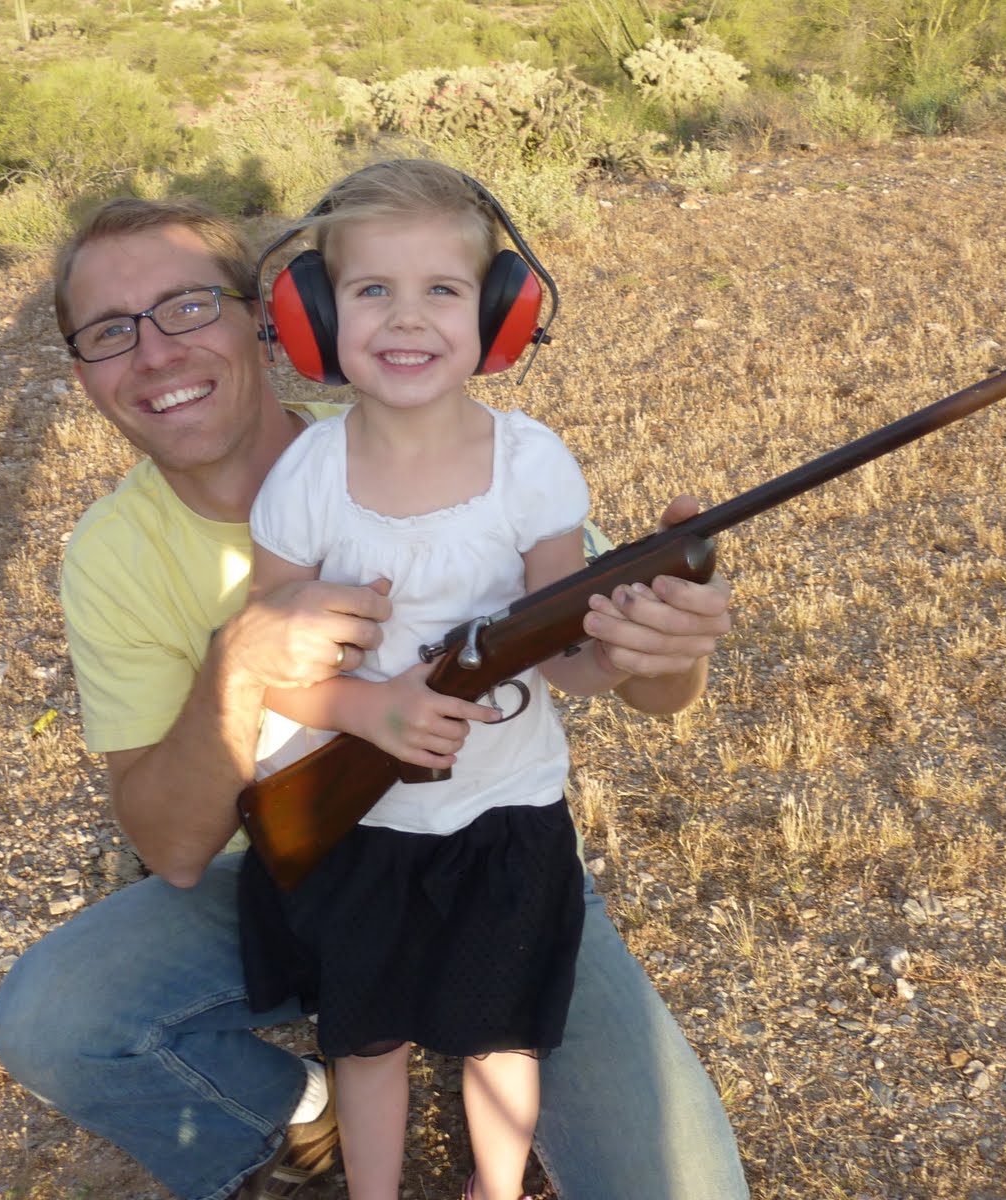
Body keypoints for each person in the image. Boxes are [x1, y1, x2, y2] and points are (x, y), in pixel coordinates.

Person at [0, 189, 754, 1200]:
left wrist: (661, 647)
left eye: (185, 307)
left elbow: (619, 671)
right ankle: (300, 1115)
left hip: (496, 850)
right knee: (52, 1018)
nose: (157, 353)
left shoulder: (477, 460)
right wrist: (243, 664)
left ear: (269, 321)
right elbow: (171, 848)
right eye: (108, 331)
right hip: (282, 867)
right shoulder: (115, 552)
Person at [238, 160, 629, 1200]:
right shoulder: (306, 480)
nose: (406, 318)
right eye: (372, 290)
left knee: (501, 1034)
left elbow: (567, 653)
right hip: (361, 830)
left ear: (499, 316)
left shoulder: (533, 463)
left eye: (442, 291)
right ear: (315, 318)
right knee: (367, 1040)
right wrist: (371, 706)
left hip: (509, 814)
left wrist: (629, 640)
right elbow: (268, 672)